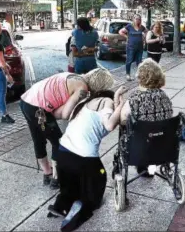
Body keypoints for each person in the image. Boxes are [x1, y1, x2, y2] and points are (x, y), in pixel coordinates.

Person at [47, 83, 127, 232]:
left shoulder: (85, 104)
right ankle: (81, 209)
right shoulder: (105, 101)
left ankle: (61, 204)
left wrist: (116, 100)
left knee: (71, 186)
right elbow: (110, 125)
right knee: (100, 176)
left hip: (62, 155)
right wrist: (120, 104)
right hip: (82, 159)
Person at [19, 68, 114, 189]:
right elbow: (65, 114)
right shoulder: (82, 88)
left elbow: (57, 106)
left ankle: (47, 173)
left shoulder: (74, 76)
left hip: (26, 102)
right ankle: (56, 179)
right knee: (59, 142)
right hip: (38, 109)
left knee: (38, 140)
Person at [121, 58, 173, 176]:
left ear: (140, 77)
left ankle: (143, 166)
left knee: (126, 125)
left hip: (141, 147)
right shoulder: (164, 96)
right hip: (162, 143)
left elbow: (123, 120)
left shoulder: (135, 97)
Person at [119, 14, 147, 81]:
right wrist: (127, 37)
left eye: (139, 19)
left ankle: (139, 75)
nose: (138, 20)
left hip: (140, 47)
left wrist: (144, 37)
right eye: (136, 19)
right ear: (133, 19)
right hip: (131, 47)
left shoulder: (142, 27)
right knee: (129, 60)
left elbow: (147, 32)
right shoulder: (129, 26)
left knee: (139, 61)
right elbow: (120, 31)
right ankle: (128, 75)